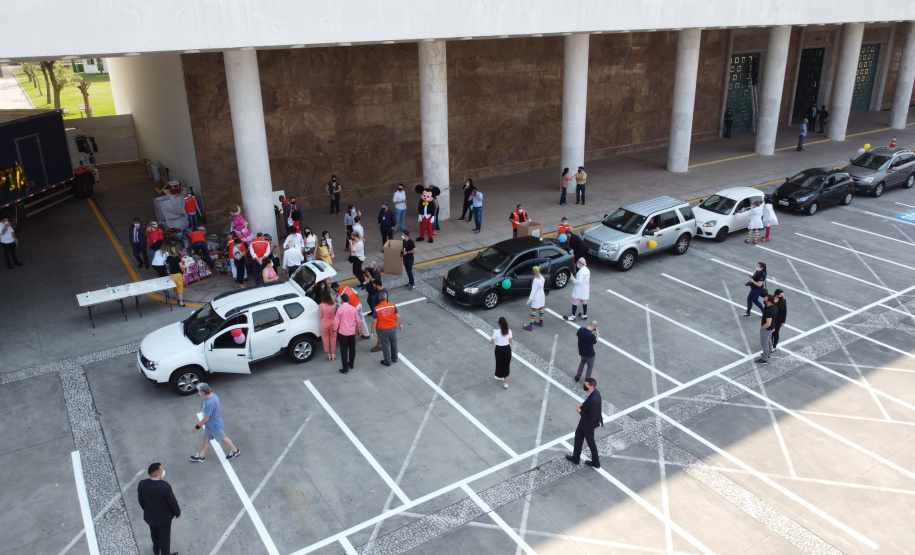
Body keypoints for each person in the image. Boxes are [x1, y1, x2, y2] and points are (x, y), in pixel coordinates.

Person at [137, 462, 180, 555]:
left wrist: (147, 510)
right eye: (162, 470)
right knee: (165, 537)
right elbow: (172, 502)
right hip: (164, 519)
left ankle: (156, 550)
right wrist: (177, 513)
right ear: (157, 474)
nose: (163, 471)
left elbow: (141, 500)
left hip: (150, 516)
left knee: (154, 534)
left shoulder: (142, 484)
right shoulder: (165, 487)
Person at [191, 383, 240, 461]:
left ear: (202, 393)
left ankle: (235, 451)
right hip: (210, 425)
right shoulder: (213, 396)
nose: (199, 393)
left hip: (213, 426)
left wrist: (196, 427)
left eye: (199, 391)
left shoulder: (209, 403)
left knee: (223, 438)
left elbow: (206, 418)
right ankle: (201, 456)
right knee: (206, 439)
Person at [565, 377, 603, 468]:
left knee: (590, 442)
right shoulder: (594, 392)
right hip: (585, 422)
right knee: (578, 436)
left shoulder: (594, 399)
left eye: (586, 385)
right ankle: (576, 457)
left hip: (588, 424)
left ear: (591, 386)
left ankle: (596, 462)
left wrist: (580, 412)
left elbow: (592, 417)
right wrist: (583, 404)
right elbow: (588, 402)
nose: (584, 387)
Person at [371, 291, 403, 366]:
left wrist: (372, 331)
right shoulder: (392, 305)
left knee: (385, 346)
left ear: (379, 299)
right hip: (393, 328)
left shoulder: (376, 309)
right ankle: (395, 358)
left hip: (383, 330)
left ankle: (387, 361)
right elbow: (398, 316)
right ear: (386, 298)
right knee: (394, 343)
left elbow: (374, 322)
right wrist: (400, 324)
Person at [334, 293, 363, 373]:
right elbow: (358, 320)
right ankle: (351, 364)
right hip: (351, 332)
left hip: (343, 333)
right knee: (352, 349)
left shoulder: (340, 309)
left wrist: (334, 330)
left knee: (344, 351)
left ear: (342, 300)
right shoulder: (353, 308)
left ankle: (345, 368)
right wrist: (359, 328)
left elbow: (336, 321)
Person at [490, 316, 513, 389]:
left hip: (499, 349)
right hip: (507, 349)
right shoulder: (509, 331)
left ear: (499, 324)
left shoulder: (496, 332)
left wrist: (497, 340)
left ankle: (499, 375)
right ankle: (506, 383)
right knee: (506, 365)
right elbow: (510, 341)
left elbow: (492, 341)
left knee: (499, 362)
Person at [523, 266, 546, 331]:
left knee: (533, 310)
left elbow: (533, 291)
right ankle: (541, 322)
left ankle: (530, 325)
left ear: (534, 271)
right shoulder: (542, 278)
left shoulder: (535, 280)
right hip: (542, 295)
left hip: (536, 296)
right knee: (540, 308)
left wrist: (530, 299)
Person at [757, 295, 778, 364]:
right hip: (772, 327)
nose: (764, 301)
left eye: (766, 300)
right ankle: (768, 355)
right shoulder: (774, 307)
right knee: (769, 340)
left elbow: (768, 323)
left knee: (764, 343)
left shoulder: (769, 311)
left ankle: (764, 358)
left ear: (769, 302)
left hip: (767, 329)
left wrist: (762, 327)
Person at [319, 286, 338, 360]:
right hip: (333, 323)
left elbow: (320, 316)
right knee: (333, 338)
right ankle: (333, 354)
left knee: (325, 338)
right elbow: (335, 313)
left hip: (324, 323)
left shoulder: (321, 305)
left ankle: (328, 354)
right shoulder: (333, 305)